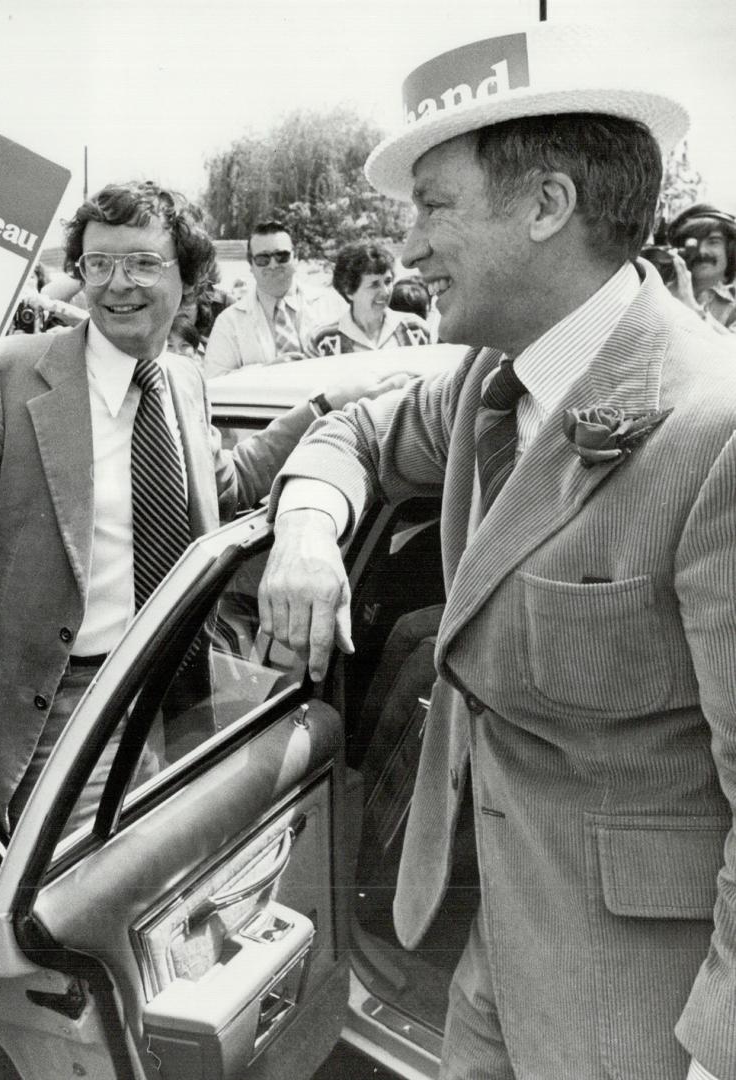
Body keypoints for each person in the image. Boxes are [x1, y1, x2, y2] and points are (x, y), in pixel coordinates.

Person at [258, 24, 736, 1080]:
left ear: (544, 205)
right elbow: (350, 429)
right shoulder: (493, 379)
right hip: (484, 958)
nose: (407, 251)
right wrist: (302, 529)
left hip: (639, 1011)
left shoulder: (715, 429)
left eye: (432, 208)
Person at [0, 181, 407, 835]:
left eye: (143, 263)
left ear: (189, 275)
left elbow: (222, 490)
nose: (118, 284)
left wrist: (323, 407)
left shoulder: (182, 379)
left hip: (175, 695)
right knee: (80, 904)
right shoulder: (5, 374)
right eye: (98, 264)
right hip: (60, 708)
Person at [201, 218, 344, 377]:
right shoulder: (229, 322)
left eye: (281, 256)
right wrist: (267, 371)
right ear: (251, 265)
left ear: (295, 258)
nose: (273, 265)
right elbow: (214, 381)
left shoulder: (332, 304)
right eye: (263, 259)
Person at [311, 242, 434, 355]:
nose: (385, 291)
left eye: (388, 281)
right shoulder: (323, 339)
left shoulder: (415, 329)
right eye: (374, 284)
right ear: (349, 291)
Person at [666, 202, 736, 331]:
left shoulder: (733, 308)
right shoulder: (656, 285)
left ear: (730, 251)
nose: (702, 251)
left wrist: (691, 308)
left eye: (713, 242)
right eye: (693, 243)